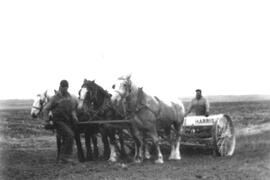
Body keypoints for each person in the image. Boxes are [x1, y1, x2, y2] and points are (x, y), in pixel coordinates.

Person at [43, 80, 79, 163]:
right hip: (58, 121)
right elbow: (45, 109)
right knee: (70, 134)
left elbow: (72, 109)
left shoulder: (69, 96)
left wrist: (74, 116)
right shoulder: (55, 98)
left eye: (66, 88)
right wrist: (46, 121)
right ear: (60, 87)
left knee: (70, 136)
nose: (65, 90)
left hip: (68, 120)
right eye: (63, 88)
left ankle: (64, 157)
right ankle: (65, 157)